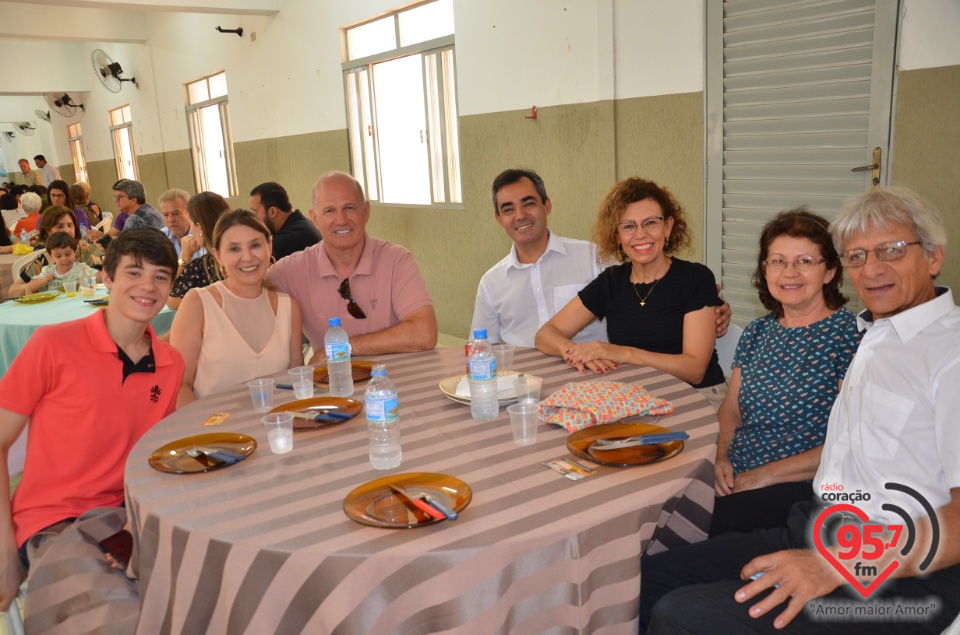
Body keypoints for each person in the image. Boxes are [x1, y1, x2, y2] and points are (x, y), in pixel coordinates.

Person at [640, 186, 960, 635]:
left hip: (903, 575)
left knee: (680, 613)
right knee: (649, 578)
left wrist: (835, 565)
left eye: (891, 250)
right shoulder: (875, 335)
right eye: (858, 256)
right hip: (818, 525)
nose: (873, 269)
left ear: (932, 257)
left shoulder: (949, 352)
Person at [0, 228, 183, 631]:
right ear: (107, 278)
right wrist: (4, 556)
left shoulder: (170, 363)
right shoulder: (53, 345)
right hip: (55, 523)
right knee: (120, 620)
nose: (147, 287)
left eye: (160, 276)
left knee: (202, 595)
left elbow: (154, 459)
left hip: (131, 517)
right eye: (134, 273)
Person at [710, 208, 861, 537]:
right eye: (777, 261)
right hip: (737, 473)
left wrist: (759, 477)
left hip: (801, 487)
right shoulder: (758, 332)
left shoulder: (849, 336)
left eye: (805, 261)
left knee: (695, 531)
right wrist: (721, 458)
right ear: (765, 270)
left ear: (830, 270)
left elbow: (850, 443)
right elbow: (731, 410)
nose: (789, 272)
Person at [473, 169, 732, 347]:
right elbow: (484, 349)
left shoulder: (594, 257)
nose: (520, 215)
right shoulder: (491, 282)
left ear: (547, 206)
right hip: (525, 384)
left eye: (528, 203)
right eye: (508, 209)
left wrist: (710, 307)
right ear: (498, 219)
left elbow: (648, 287)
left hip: (597, 379)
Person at [535, 177, 726, 399]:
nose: (640, 234)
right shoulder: (612, 281)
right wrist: (577, 353)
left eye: (651, 222)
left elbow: (694, 370)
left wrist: (620, 353)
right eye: (628, 226)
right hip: (637, 398)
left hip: (698, 396)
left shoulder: (695, 278)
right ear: (618, 237)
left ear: (668, 227)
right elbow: (545, 335)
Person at [268, 171, 437, 357]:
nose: (341, 220)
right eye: (329, 210)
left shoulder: (397, 260)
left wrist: (340, 348)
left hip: (391, 381)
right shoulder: (290, 270)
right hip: (331, 382)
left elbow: (424, 334)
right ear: (314, 218)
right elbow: (246, 295)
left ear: (366, 211)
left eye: (349, 208)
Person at [170, 210, 303, 405]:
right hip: (215, 430)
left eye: (255, 245)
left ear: (269, 247)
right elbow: (179, 386)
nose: (247, 257)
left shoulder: (288, 307)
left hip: (278, 427)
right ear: (218, 255)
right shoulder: (198, 303)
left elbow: (295, 381)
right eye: (234, 249)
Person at [167, 191, 230, 310]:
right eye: (165, 215)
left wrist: (184, 257)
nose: (170, 219)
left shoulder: (202, 267)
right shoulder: (248, 255)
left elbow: (171, 301)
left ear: (199, 226)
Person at [249, 181, 321, 261]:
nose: (253, 219)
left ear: (273, 212)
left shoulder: (288, 239)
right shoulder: (302, 224)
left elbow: (251, 265)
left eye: (255, 212)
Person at [8, 231, 95, 298]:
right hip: (52, 307)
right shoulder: (48, 270)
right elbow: (31, 286)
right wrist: (43, 281)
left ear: (74, 252)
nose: (64, 259)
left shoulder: (81, 268)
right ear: (51, 256)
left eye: (68, 254)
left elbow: (99, 276)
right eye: (58, 256)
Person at [158, 188, 205, 263]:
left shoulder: (202, 235)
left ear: (190, 212)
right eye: (166, 215)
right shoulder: (161, 237)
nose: (170, 219)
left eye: (176, 213)